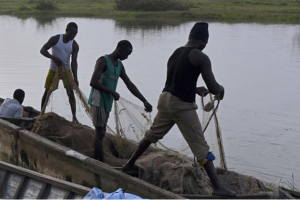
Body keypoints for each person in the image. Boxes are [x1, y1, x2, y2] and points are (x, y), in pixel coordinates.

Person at [122, 22, 236, 197]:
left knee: (152, 134)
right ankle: (217, 187)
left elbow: (178, 80)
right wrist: (221, 90)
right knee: (201, 147)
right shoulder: (201, 57)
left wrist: (195, 89)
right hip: (181, 106)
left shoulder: (176, 52)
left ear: (190, 36)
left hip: (165, 99)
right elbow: (213, 88)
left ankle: (130, 164)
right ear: (204, 41)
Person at [89, 40, 152, 162]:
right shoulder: (103, 61)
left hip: (107, 102)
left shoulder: (119, 66)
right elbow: (93, 82)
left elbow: (129, 84)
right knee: (100, 131)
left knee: (101, 132)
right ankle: (99, 161)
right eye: (126, 54)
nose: (127, 57)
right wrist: (111, 92)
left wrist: (144, 100)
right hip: (97, 101)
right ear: (120, 50)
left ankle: (97, 158)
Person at [40, 22, 79, 123]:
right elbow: (43, 50)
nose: (73, 36)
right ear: (66, 31)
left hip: (66, 71)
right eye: (71, 33)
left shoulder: (74, 45)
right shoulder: (56, 39)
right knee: (47, 92)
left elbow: (74, 62)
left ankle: (74, 117)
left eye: (75, 34)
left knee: (70, 93)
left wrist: (75, 78)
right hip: (53, 70)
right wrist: (53, 58)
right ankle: (41, 113)